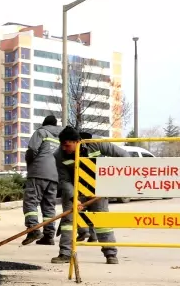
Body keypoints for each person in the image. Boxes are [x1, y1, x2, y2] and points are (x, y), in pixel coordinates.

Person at [52, 126, 126, 265]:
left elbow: (124, 156)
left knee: (102, 220)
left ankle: (110, 254)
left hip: (98, 188)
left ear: (77, 141)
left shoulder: (96, 143)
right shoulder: (59, 155)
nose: (64, 148)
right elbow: (65, 180)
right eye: (62, 145)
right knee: (68, 220)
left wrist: (116, 181)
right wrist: (74, 199)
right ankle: (65, 253)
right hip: (76, 189)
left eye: (67, 145)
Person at [21, 114, 60, 246]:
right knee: (49, 206)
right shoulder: (61, 137)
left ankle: (33, 229)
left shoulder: (41, 132)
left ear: (44, 123)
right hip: (55, 175)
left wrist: (30, 162)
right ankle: (48, 236)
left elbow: (32, 150)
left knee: (30, 202)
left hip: (38, 172)